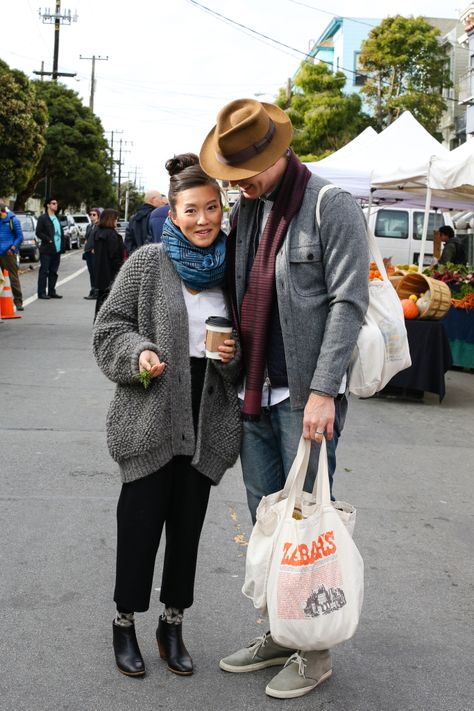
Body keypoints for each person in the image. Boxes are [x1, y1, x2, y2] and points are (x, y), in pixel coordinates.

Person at [199, 98, 369, 699]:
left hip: (304, 398)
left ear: (276, 155)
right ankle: (279, 629)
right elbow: (240, 288)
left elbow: (349, 302)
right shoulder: (250, 211)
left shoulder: (330, 205)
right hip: (253, 394)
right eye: (232, 173)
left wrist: (323, 390)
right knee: (268, 522)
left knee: (307, 522)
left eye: (246, 171)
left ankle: (314, 650)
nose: (238, 183)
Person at [92, 153, 242, 680]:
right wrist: (138, 354)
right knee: (139, 528)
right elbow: (109, 327)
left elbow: (248, 343)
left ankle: (172, 624)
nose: (203, 220)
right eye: (191, 210)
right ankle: (124, 623)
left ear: (222, 211)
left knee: (187, 530)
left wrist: (233, 356)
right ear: (173, 214)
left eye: (211, 209)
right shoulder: (148, 262)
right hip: (152, 411)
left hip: (205, 416)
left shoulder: (233, 267)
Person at [93, 209, 124, 319]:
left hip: (101, 272)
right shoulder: (112, 235)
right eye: (116, 219)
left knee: (101, 299)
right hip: (111, 273)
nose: (117, 222)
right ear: (111, 220)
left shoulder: (98, 233)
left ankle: (98, 321)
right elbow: (115, 256)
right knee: (110, 301)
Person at [36, 197, 64, 299]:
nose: (55, 205)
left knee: (54, 271)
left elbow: (60, 233)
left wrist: (62, 246)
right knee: (44, 271)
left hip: (57, 250)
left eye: (56, 203)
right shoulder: (43, 218)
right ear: (48, 205)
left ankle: (52, 291)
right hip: (47, 249)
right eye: (53, 203)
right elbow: (38, 232)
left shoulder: (57, 218)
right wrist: (48, 239)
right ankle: (41, 292)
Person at [0, 202, 24, 311]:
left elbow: (20, 236)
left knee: (13, 278)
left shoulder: (12, 220)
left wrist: (13, 248)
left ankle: (18, 301)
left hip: (9, 253)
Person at [124, 190, 163, 255]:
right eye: (160, 199)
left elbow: (128, 241)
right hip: (153, 259)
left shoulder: (133, 218)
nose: (162, 201)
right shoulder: (156, 217)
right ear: (153, 199)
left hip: (136, 259)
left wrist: (136, 255)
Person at [82, 207, 102, 299]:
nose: (91, 216)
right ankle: (92, 289)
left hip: (95, 252)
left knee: (95, 272)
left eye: (94, 214)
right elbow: (87, 237)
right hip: (88, 251)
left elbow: (99, 239)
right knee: (91, 272)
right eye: (90, 214)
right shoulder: (89, 226)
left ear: (98, 216)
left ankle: (97, 292)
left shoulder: (99, 226)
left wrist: (96, 247)